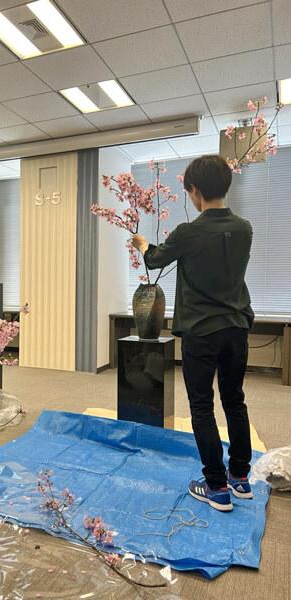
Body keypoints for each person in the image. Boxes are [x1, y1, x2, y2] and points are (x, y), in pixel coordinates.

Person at [133, 155, 254, 512]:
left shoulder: (189, 231)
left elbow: (155, 259)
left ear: (195, 190)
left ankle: (216, 486)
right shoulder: (244, 228)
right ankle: (240, 478)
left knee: (202, 406)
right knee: (235, 399)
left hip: (202, 332)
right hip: (236, 330)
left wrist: (141, 244)